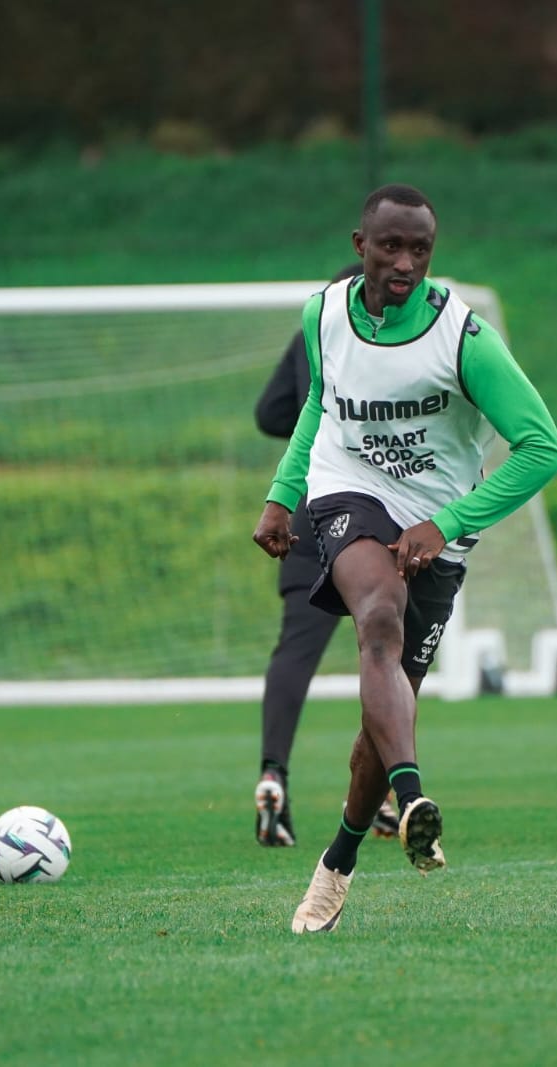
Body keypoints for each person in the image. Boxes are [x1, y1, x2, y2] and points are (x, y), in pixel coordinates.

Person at [252, 184, 557, 933]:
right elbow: (319, 408)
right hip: (346, 495)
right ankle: (416, 793)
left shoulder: (463, 338)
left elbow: (543, 448)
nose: (404, 262)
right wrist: (281, 494)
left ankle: (338, 860)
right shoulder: (322, 314)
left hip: (438, 525)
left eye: (419, 250)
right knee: (377, 613)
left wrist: (447, 521)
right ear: (360, 244)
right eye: (390, 246)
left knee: (379, 721)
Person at [250, 263, 401, 849]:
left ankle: (273, 772)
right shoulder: (400, 338)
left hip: (311, 510)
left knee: (296, 649)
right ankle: (380, 795)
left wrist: (320, 434)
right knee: (388, 653)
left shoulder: (317, 329)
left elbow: (269, 413)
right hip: (377, 511)